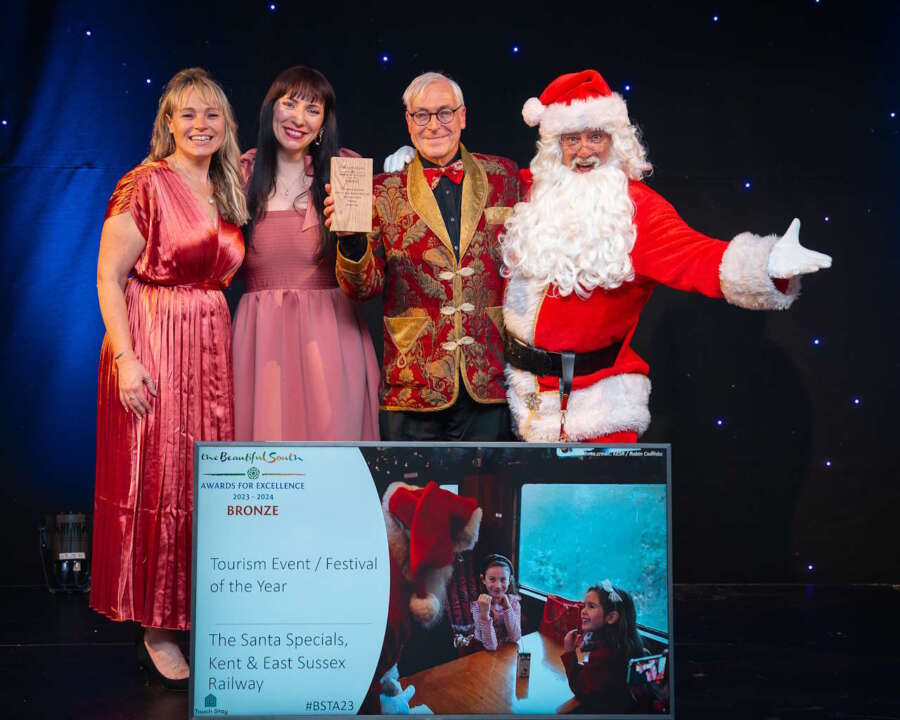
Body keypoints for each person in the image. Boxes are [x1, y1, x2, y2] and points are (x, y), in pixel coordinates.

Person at [501, 70, 833, 442]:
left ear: (616, 142)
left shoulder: (635, 210)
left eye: (595, 137)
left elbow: (695, 255)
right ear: (554, 147)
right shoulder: (527, 193)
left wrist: (765, 263)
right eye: (571, 139)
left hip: (592, 410)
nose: (583, 151)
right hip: (512, 398)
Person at [91, 68, 248, 689]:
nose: (200, 125)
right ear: (168, 123)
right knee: (155, 476)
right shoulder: (145, 184)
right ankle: (155, 624)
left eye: (212, 114)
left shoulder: (229, 186)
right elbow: (109, 277)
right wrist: (127, 358)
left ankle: (193, 611)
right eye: (188, 114)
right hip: (153, 337)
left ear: (226, 125)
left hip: (210, 338)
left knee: (199, 477)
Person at [326, 72, 519, 441]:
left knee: (488, 498)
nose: (434, 125)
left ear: (462, 116)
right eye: (422, 115)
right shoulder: (381, 190)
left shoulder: (504, 176)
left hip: (487, 379)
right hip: (411, 384)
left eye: (444, 112)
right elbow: (363, 288)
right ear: (408, 123)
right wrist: (350, 241)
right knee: (410, 499)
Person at [233, 66, 379, 440]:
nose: (299, 118)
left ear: (324, 122)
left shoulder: (343, 172)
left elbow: (367, 268)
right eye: (290, 103)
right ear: (271, 109)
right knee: (268, 458)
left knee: (332, 451)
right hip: (261, 339)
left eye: (313, 109)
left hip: (331, 337)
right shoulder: (241, 175)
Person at [561, 581, 646, 713]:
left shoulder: (605, 654)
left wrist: (569, 652)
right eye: (584, 605)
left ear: (611, 617)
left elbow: (580, 689)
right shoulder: (624, 643)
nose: (583, 611)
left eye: (591, 606)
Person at [471, 553, 522, 651]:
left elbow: (515, 638)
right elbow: (491, 647)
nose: (498, 586)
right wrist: (485, 614)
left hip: (506, 653)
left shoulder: (513, 602)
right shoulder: (477, 606)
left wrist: (507, 607)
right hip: (483, 654)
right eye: (492, 579)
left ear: (509, 580)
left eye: (503, 580)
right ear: (483, 579)